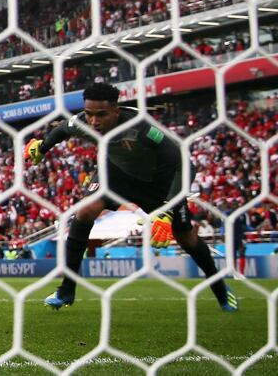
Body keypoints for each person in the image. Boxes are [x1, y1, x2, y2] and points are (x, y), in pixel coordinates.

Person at [25, 82, 237, 311]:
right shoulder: (84, 123)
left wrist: (167, 209)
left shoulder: (144, 128)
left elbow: (185, 166)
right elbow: (62, 129)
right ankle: (66, 290)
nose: (94, 121)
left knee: (187, 239)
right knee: (85, 211)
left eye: (101, 115)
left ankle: (220, 288)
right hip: (115, 176)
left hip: (159, 185)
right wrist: (42, 147)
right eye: (89, 114)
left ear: (116, 110)